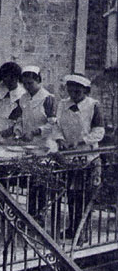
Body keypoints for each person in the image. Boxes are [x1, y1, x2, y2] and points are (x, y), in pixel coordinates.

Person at [51, 73, 105, 239]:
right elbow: (57, 126)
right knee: (72, 195)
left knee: (85, 197)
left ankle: (82, 231)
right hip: (69, 157)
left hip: (88, 157)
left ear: (85, 91)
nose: (73, 95)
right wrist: (60, 139)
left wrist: (82, 141)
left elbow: (99, 132)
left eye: (78, 92)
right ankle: (73, 227)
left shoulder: (93, 105)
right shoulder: (62, 104)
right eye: (71, 91)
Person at [18, 66, 57, 148]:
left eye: (30, 83)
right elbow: (21, 119)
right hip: (26, 143)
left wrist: (34, 132)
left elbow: (53, 124)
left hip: (43, 143)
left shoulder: (48, 98)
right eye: (24, 84)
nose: (27, 87)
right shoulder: (23, 98)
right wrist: (17, 131)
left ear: (38, 80)